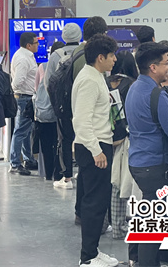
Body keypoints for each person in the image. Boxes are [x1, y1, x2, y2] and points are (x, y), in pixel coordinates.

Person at [125, 42, 168, 267]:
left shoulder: (134, 88)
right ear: (153, 67)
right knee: (155, 222)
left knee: (148, 214)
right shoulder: (156, 95)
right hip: (156, 164)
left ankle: (143, 258)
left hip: (138, 160)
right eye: (165, 64)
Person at [72, 34, 119, 267]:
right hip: (94, 146)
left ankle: (93, 251)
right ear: (100, 57)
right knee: (94, 202)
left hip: (99, 144)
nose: (115, 60)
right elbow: (81, 121)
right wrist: (95, 150)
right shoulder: (89, 80)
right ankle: (88, 257)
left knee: (99, 201)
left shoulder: (96, 76)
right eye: (111, 56)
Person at [106, 52, 138, 241]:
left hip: (105, 138)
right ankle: (120, 227)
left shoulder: (105, 83)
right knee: (122, 183)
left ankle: (106, 223)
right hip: (126, 139)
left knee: (109, 183)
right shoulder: (133, 85)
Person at [48, 22, 83, 188]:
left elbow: (49, 82)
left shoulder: (56, 55)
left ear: (63, 36)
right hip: (82, 103)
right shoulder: (84, 53)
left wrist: (56, 104)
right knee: (84, 138)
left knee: (65, 141)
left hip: (64, 106)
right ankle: (82, 171)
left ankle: (67, 177)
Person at [33, 41, 65, 181]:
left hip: (44, 112)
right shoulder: (66, 67)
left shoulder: (42, 66)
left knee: (46, 144)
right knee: (60, 143)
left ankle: (48, 173)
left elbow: (36, 88)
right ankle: (60, 172)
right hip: (59, 112)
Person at [9, 31, 39, 175]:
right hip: (24, 98)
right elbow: (17, 82)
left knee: (26, 131)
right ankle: (15, 163)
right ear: (29, 45)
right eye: (36, 43)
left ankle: (28, 159)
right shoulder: (23, 59)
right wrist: (16, 94)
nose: (38, 45)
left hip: (27, 98)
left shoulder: (26, 56)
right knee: (20, 131)